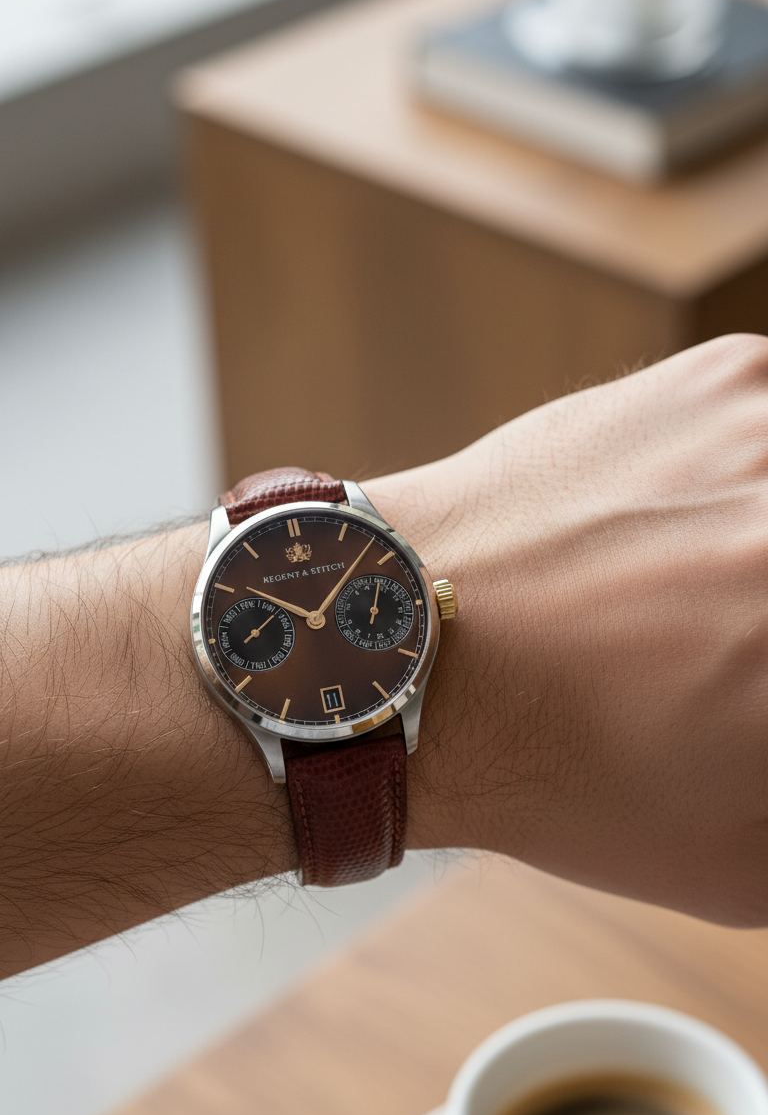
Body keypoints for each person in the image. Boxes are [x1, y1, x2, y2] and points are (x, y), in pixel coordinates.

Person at [2, 332, 768, 979]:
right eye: (301, 618)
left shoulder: (403, 609)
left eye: (347, 608)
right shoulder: (260, 655)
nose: (316, 617)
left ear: (435, 600)